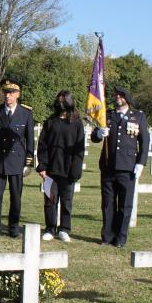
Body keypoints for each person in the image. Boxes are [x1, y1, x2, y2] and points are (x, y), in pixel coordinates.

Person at [91, 86, 149, 248]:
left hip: (128, 167)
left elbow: (145, 141)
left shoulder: (138, 116)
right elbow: (94, 136)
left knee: (125, 204)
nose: (117, 97)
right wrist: (99, 134)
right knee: (108, 203)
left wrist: (141, 163)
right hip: (108, 167)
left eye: (121, 96)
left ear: (127, 99)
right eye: (116, 95)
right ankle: (107, 236)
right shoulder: (107, 116)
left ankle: (121, 237)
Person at [0, 79, 34, 238]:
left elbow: (30, 140)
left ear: (18, 95)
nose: (8, 96)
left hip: (17, 161)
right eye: (6, 93)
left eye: (12, 93)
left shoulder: (26, 113)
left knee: (15, 196)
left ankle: (13, 227)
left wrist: (29, 162)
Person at [36, 90, 85, 242]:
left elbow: (79, 149)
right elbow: (42, 145)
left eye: (64, 101)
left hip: (68, 170)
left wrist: (75, 170)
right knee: (50, 201)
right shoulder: (50, 121)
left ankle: (64, 229)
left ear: (70, 102)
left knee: (66, 201)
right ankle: (50, 228)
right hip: (51, 170)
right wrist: (42, 166)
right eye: (59, 101)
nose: (61, 103)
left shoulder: (77, 123)